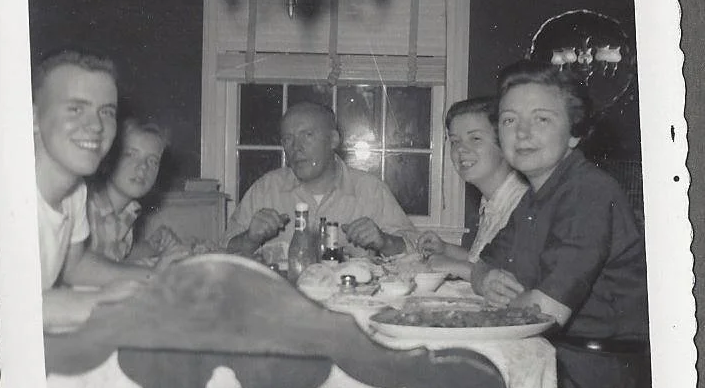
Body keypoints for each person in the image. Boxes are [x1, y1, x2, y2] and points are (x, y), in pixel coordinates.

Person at [471, 61, 652, 388]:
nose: (522, 132)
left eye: (542, 119)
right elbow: (481, 265)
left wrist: (488, 303)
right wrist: (487, 277)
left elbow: (546, 310)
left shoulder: (589, 192)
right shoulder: (537, 196)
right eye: (509, 120)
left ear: (574, 133)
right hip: (558, 369)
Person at [33, 50, 162, 332]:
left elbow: (75, 265)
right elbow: (3, 308)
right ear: (33, 117)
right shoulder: (1, 196)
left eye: (106, 112)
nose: (96, 126)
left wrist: (157, 278)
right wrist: (101, 302)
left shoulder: (75, 191)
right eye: (75, 109)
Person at [224, 101, 417, 259]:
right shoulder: (265, 189)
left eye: (307, 136)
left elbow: (416, 250)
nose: (296, 147)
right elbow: (222, 250)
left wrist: (384, 241)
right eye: (288, 139)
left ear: (333, 140)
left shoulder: (370, 190)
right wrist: (249, 239)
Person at [416, 97, 527, 280]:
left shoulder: (523, 204)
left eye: (475, 138)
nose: (460, 149)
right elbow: (486, 263)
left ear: (504, 145)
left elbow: (514, 282)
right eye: (455, 141)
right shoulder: (492, 202)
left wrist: (455, 266)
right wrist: (446, 249)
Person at [87, 118, 186, 262]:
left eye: (152, 160)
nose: (143, 166)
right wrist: (155, 272)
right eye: (131, 154)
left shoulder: (128, 212)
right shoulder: (90, 210)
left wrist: (153, 246)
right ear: (110, 157)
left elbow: (116, 257)